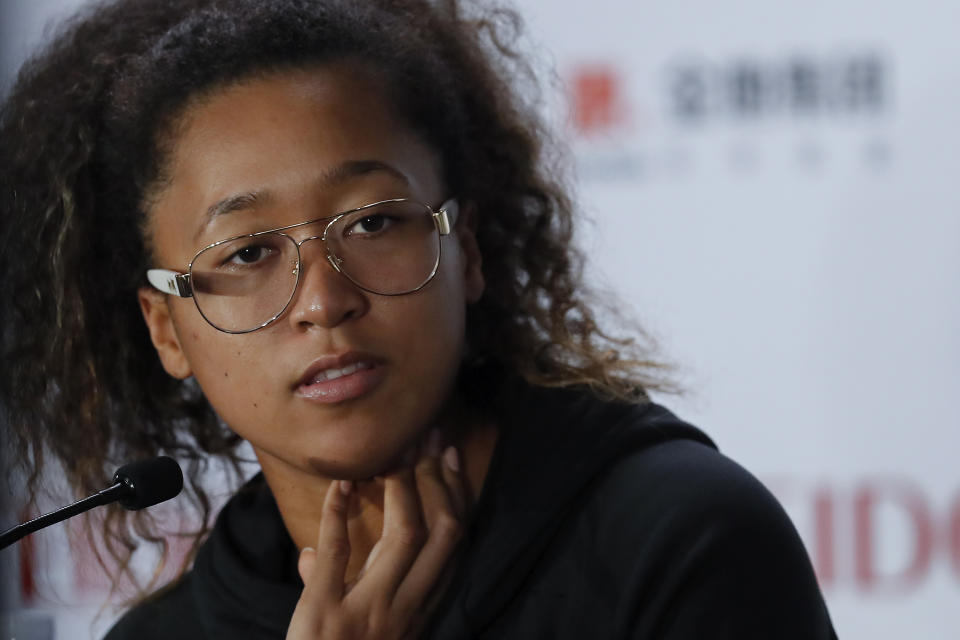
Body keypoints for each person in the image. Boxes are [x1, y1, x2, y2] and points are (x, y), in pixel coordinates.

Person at [0, 0, 838, 638]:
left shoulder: (680, 542)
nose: (326, 302)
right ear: (167, 328)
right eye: (248, 254)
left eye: (372, 223)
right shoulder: (163, 636)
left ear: (464, 249)